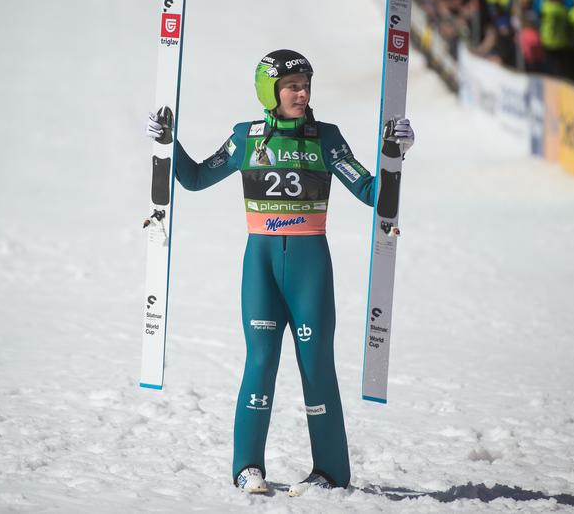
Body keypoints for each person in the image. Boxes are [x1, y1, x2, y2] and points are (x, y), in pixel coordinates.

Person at [145, 49, 415, 496]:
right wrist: (165, 141)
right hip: (262, 267)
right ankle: (247, 467)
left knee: (316, 366)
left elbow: (372, 194)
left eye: (306, 84)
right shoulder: (245, 138)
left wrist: (394, 153)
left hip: (310, 269)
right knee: (261, 360)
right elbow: (193, 178)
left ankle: (330, 471)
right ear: (269, 91)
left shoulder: (325, 138)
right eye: (292, 86)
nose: (302, 93)